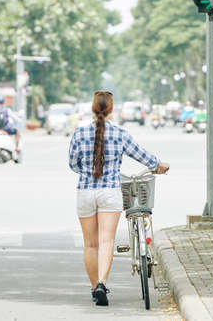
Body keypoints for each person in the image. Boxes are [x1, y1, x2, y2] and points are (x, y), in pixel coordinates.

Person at [68, 91, 169, 306]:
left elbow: (73, 164)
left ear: (92, 109)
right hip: (110, 193)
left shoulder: (79, 132)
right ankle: (103, 283)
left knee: (90, 244)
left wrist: (87, 171)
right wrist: (158, 164)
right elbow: (141, 155)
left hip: (85, 192)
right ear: (111, 109)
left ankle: (95, 287)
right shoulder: (120, 133)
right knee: (106, 242)